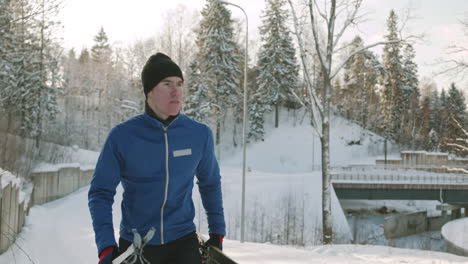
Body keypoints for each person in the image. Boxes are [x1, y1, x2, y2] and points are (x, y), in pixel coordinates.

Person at [88, 52, 226, 264]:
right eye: (167, 84)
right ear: (149, 91)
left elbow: (210, 184)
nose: (176, 91)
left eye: (179, 84)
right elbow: (100, 193)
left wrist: (217, 233)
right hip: (136, 247)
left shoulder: (199, 135)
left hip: (183, 242)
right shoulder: (123, 137)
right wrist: (106, 246)